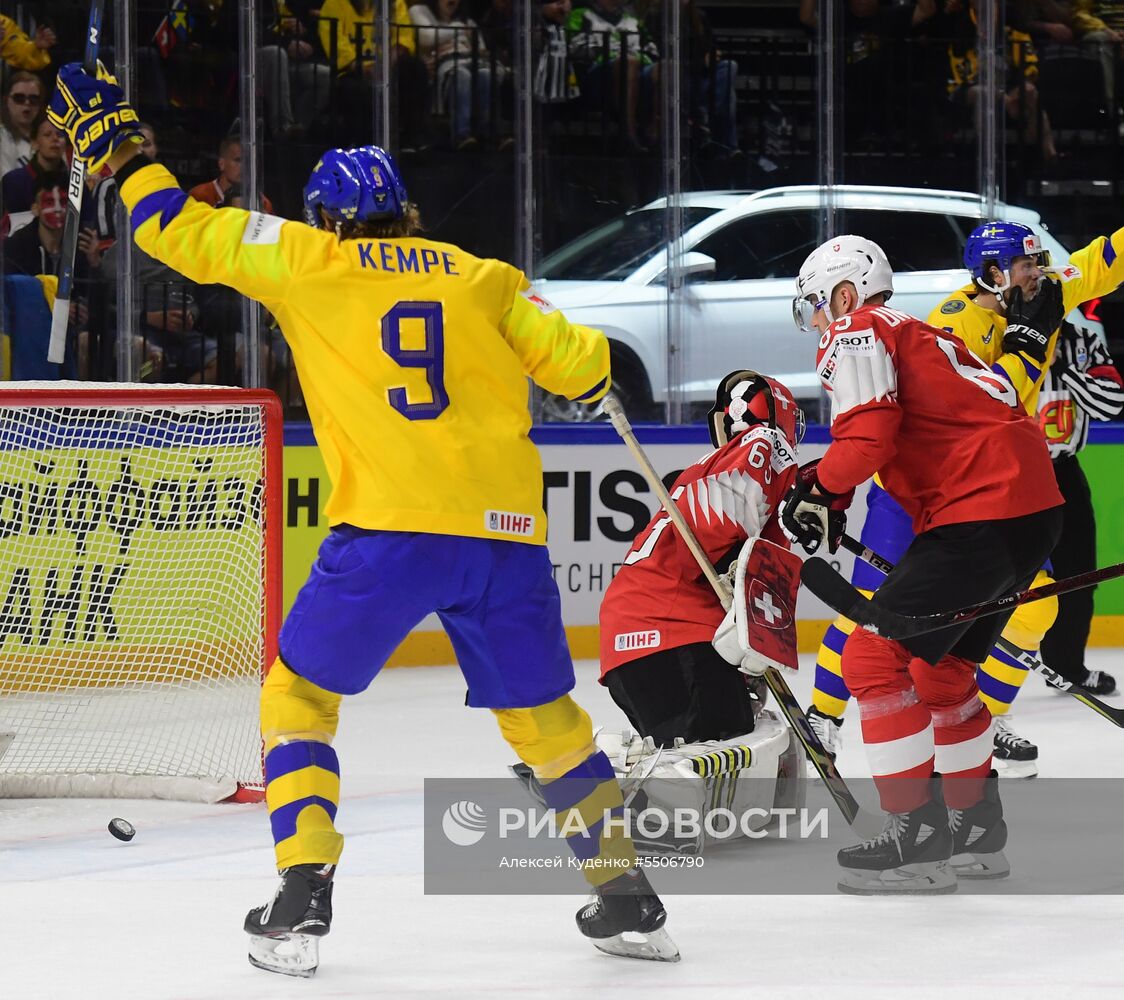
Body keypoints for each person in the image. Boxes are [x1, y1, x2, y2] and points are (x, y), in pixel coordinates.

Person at [47, 61, 677, 973]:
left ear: (327, 217)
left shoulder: (309, 260)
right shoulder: (483, 277)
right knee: (548, 723)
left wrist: (126, 152)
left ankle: (303, 895)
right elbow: (582, 368)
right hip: (504, 541)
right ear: (404, 211)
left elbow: (176, 233)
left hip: (387, 531)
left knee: (299, 697)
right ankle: (628, 901)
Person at [784, 235, 1063, 894]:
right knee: (944, 675)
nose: (818, 323)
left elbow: (868, 434)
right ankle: (977, 834)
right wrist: (830, 486)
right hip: (1030, 509)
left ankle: (918, 843)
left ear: (846, 295)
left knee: (872, 660)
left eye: (818, 306)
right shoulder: (916, 332)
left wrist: (821, 486)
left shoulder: (855, 330)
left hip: (980, 509)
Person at [599, 370, 804, 745]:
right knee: (713, 770)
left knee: (702, 770)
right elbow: (710, 538)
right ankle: (586, 782)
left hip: (640, 633)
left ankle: (591, 782)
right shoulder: (766, 443)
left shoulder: (707, 465)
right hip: (669, 632)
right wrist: (752, 621)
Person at [1036, 321, 1124, 691]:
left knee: (1079, 576)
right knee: (993, 577)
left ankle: (1066, 665)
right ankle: (963, 670)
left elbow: (1111, 402)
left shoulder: (1082, 339)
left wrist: (1064, 368)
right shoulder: (996, 330)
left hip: (1064, 470)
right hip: (1009, 472)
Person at [408, 0, 511, 151]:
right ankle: (461, 134)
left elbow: (480, 48)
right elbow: (427, 37)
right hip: (441, 66)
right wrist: (460, 29)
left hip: (470, 61)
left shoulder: (468, 20)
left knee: (486, 74)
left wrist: (447, 41)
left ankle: (490, 132)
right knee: (461, 75)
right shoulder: (420, 11)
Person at [2, 111, 67, 224]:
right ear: (34, 143)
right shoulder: (13, 182)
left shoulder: (76, 185)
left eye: (60, 135)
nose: (55, 139)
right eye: (47, 134)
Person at [187, 137, 274, 213]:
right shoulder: (199, 196)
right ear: (222, 164)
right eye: (238, 160)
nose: (245, 166)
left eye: (248, 161)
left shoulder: (262, 203)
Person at [0, 72, 46, 177]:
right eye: (19, 98)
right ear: (7, 101)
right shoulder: (3, 138)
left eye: (33, 99)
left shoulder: (50, 136)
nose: (27, 103)